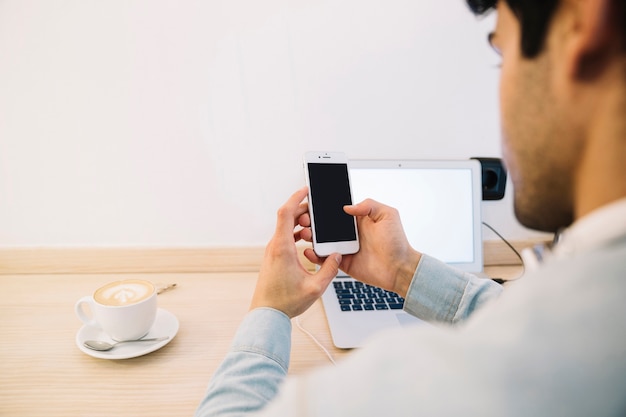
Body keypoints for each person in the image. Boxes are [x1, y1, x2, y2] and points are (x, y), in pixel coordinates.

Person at [195, 0, 626, 415]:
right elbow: (537, 336)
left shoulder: (417, 388)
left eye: (502, 51)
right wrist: (403, 271)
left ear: (583, 18)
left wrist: (268, 309)